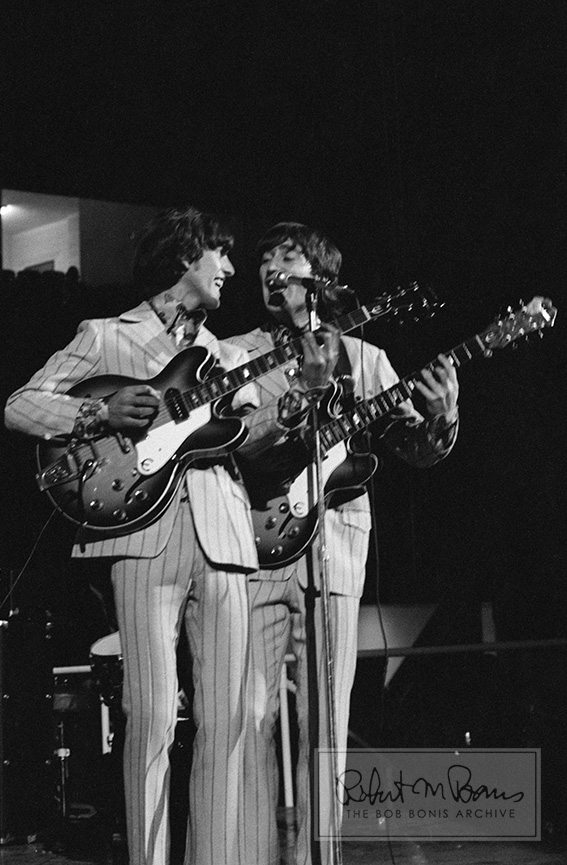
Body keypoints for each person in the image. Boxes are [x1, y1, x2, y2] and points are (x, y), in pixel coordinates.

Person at [4, 207, 339, 865]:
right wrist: (96, 410)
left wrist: (288, 411)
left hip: (224, 538)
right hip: (142, 534)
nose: (233, 270)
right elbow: (20, 403)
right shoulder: (105, 335)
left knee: (228, 724)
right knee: (152, 714)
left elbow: (251, 441)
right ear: (188, 256)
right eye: (222, 255)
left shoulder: (224, 354)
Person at [225, 222, 459, 865]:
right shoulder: (234, 353)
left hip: (335, 542)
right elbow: (233, 444)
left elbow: (413, 448)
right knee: (247, 716)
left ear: (319, 276)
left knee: (326, 721)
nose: (271, 268)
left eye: (287, 257)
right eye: (264, 261)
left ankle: (313, 858)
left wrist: (442, 416)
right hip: (253, 540)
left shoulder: (366, 358)